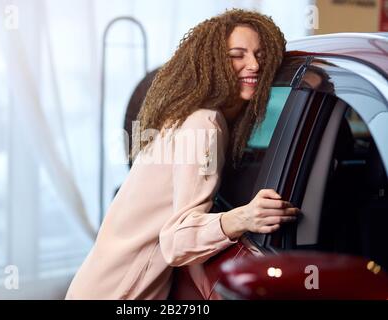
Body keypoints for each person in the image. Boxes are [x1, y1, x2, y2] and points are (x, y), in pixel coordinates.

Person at [66, 9, 299, 300]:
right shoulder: (204, 123)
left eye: (260, 55)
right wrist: (244, 217)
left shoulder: (191, 116)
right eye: (236, 55)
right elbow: (178, 241)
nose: (253, 64)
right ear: (213, 62)